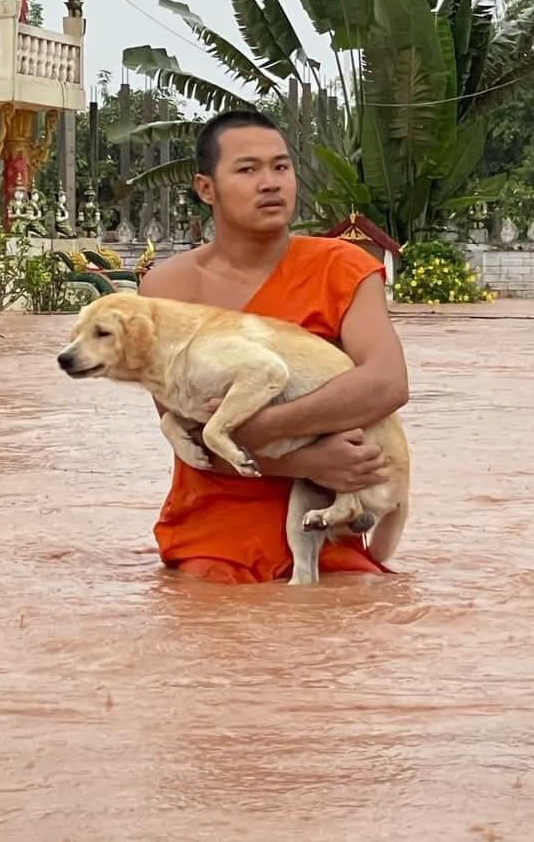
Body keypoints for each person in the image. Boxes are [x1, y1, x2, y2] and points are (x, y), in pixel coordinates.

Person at [139, 108, 409, 584]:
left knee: (365, 616)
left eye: (281, 167)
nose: (270, 183)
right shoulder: (167, 289)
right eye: (248, 170)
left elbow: (386, 382)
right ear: (207, 189)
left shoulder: (342, 267)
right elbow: (190, 434)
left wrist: (255, 428)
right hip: (214, 531)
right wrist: (302, 459)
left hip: (328, 523)